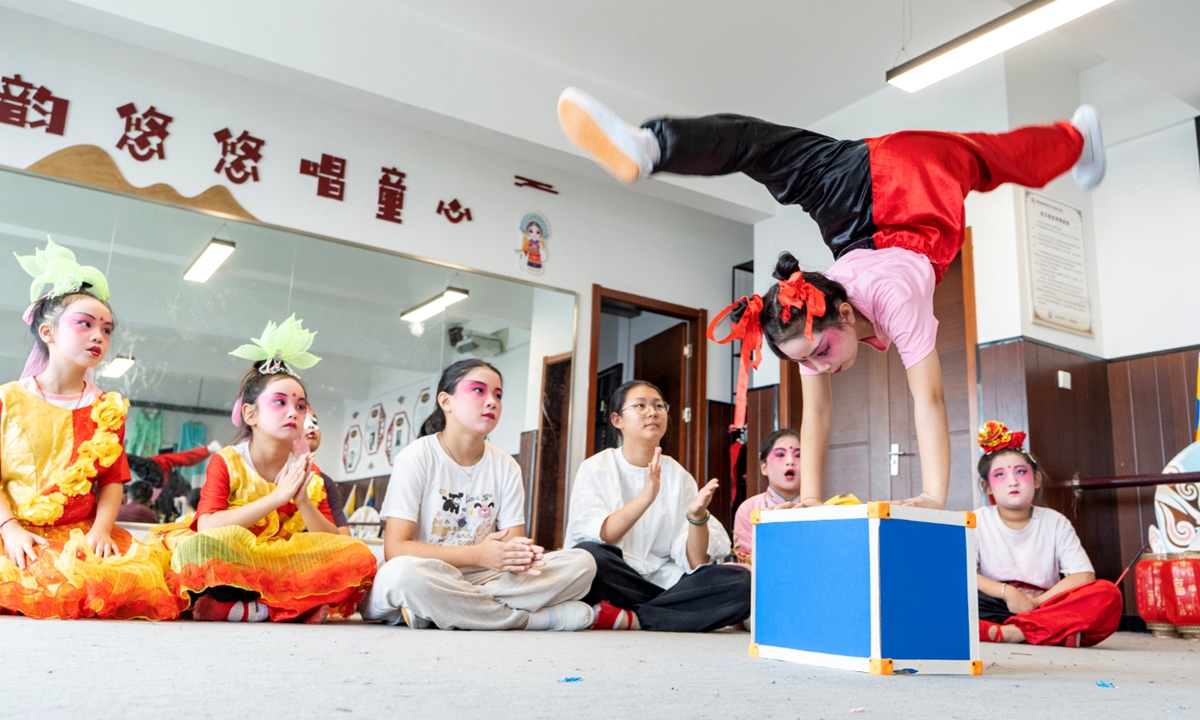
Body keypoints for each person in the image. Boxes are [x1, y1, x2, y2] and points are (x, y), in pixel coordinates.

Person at [557, 87, 1106, 510]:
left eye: (819, 354)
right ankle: (652, 147)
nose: (818, 366)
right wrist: (811, 499)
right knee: (760, 147)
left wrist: (934, 495)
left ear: (844, 312)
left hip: (913, 185)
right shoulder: (804, 323)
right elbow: (815, 410)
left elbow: (930, 400)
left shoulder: (892, 301)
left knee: (989, 158)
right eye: (809, 360)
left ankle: (1077, 138)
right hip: (853, 199)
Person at [0, 239, 179, 619]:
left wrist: (101, 530)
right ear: (47, 332)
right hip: (10, 530)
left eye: (107, 329)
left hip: (79, 533)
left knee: (133, 577)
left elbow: (112, 481)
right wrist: (10, 528)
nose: (99, 335)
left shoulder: (107, 407)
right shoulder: (8, 398)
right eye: (85, 323)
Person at [162, 316, 376, 623]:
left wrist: (302, 501)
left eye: (300, 406)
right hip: (237, 559)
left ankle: (251, 610)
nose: (294, 412)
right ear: (250, 414)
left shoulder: (309, 473)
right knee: (196, 549)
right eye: (280, 402)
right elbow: (208, 527)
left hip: (282, 561)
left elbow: (337, 542)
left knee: (357, 557)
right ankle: (287, 608)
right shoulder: (227, 461)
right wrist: (276, 498)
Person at [361, 359, 597, 631]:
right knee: (401, 575)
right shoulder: (416, 457)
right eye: (478, 390)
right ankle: (532, 620)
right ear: (446, 401)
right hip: (427, 572)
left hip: (484, 577)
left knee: (582, 564)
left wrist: (521, 555)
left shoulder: (506, 465)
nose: (492, 402)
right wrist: (477, 554)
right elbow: (396, 549)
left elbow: (511, 544)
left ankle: (436, 610)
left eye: (498, 395)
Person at [567, 380, 750, 632]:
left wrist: (697, 519)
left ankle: (633, 618)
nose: (652, 412)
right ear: (617, 420)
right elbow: (604, 536)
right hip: (615, 578)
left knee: (742, 582)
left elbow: (696, 562)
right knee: (590, 556)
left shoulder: (678, 475)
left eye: (659, 406)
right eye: (640, 406)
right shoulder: (595, 468)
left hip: (663, 582)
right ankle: (668, 615)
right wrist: (646, 497)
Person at [974, 421, 1122, 647]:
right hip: (994, 603)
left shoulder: (1055, 521)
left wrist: (1035, 603)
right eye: (1000, 475)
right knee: (944, 592)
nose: (1012, 482)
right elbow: (963, 574)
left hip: (1045, 606)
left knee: (1107, 594)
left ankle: (1013, 632)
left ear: (1036, 479)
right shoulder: (976, 520)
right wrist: (1008, 593)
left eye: (1021, 472)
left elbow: (1083, 575)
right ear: (987, 487)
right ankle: (1052, 632)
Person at [732, 428, 802, 565]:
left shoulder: (817, 508)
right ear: (763, 467)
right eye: (780, 454)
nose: (790, 461)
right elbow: (746, 562)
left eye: (798, 455)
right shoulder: (748, 509)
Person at [304, 405, 350, 536]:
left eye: (314, 422)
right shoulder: (257, 474)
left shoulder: (324, 482)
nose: (311, 426)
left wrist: (303, 501)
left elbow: (343, 538)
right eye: (304, 420)